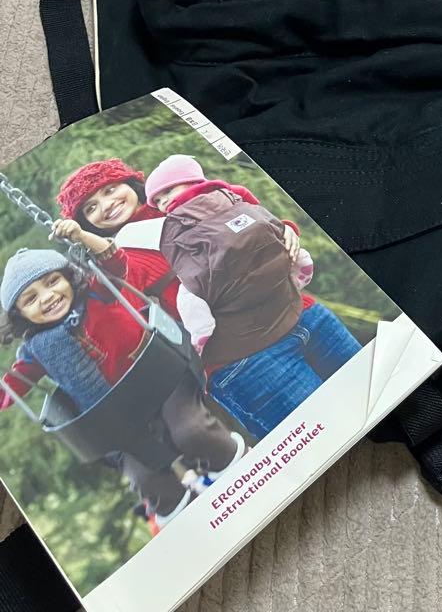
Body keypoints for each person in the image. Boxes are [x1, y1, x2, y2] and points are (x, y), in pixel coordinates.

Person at [0, 247, 245, 529]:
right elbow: (8, 392)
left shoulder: (96, 292)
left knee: (192, 431)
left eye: (53, 281)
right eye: (31, 299)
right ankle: (188, 524)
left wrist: (82, 238)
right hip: (117, 422)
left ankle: (239, 469)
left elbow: (115, 264)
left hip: (161, 379)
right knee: (146, 480)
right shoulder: (35, 351)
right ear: (20, 314)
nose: (47, 297)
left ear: (68, 277)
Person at [144, 155, 362, 439]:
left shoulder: (225, 196)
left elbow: (257, 220)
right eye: (92, 206)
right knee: (333, 437)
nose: (164, 203)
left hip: (302, 312)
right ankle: (202, 335)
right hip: (246, 356)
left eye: (111, 189)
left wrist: (286, 229)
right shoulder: (140, 242)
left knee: (382, 393)